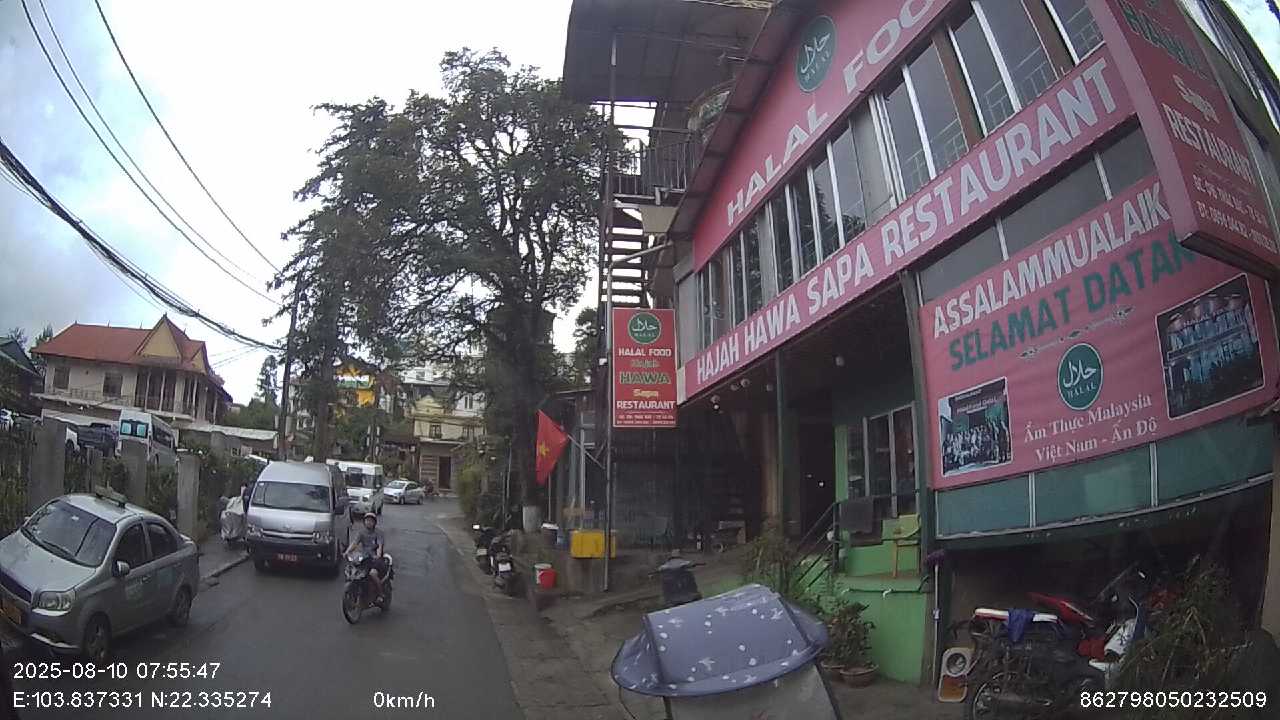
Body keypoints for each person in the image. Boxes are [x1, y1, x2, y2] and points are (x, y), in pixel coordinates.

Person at [345, 512, 387, 600]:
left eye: (371, 521)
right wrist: (347, 552)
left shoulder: (378, 533)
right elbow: (354, 543)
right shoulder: (361, 533)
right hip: (365, 558)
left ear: (374, 523)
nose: (369, 522)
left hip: (376, 560)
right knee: (355, 571)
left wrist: (378, 555)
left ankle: (380, 594)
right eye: (367, 520)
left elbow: (379, 546)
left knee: (372, 574)